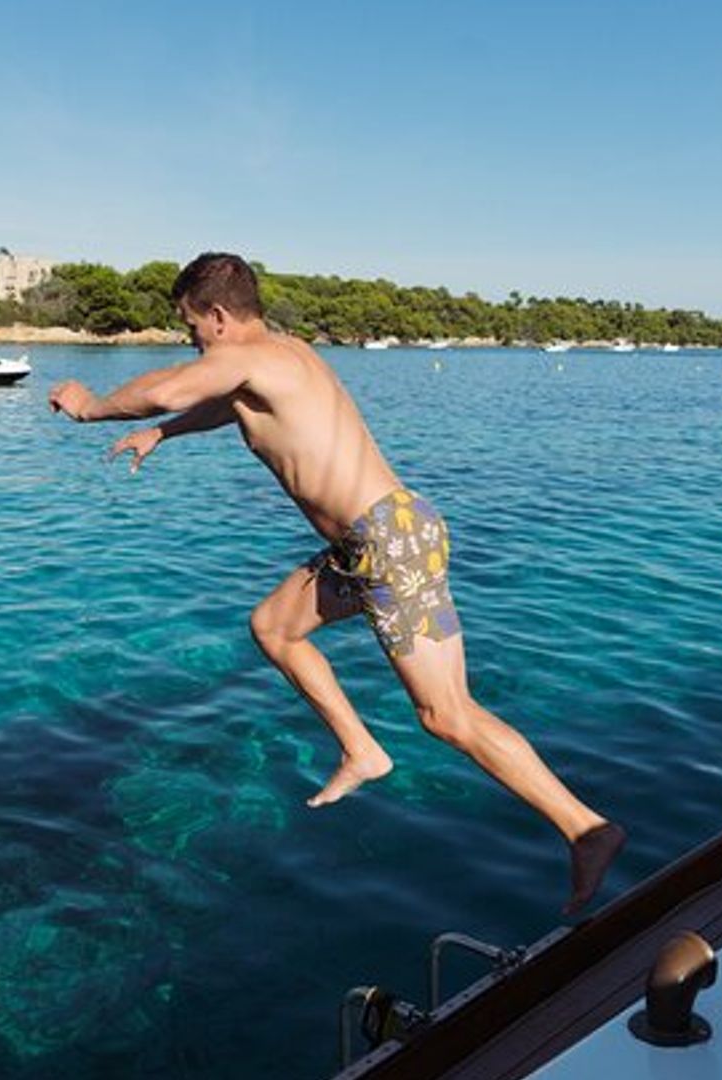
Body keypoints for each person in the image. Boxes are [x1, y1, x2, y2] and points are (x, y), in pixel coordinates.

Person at [47, 253, 626, 914]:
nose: (192, 338)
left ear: (219, 316)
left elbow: (176, 387)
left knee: (447, 714)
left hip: (388, 543)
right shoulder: (282, 357)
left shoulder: (250, 357)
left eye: (192, 326)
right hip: (375, 541)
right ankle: (362, 751)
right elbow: (220, 406)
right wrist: (161, 433)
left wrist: (92, 407)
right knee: (274, 627)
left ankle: (586, 829)